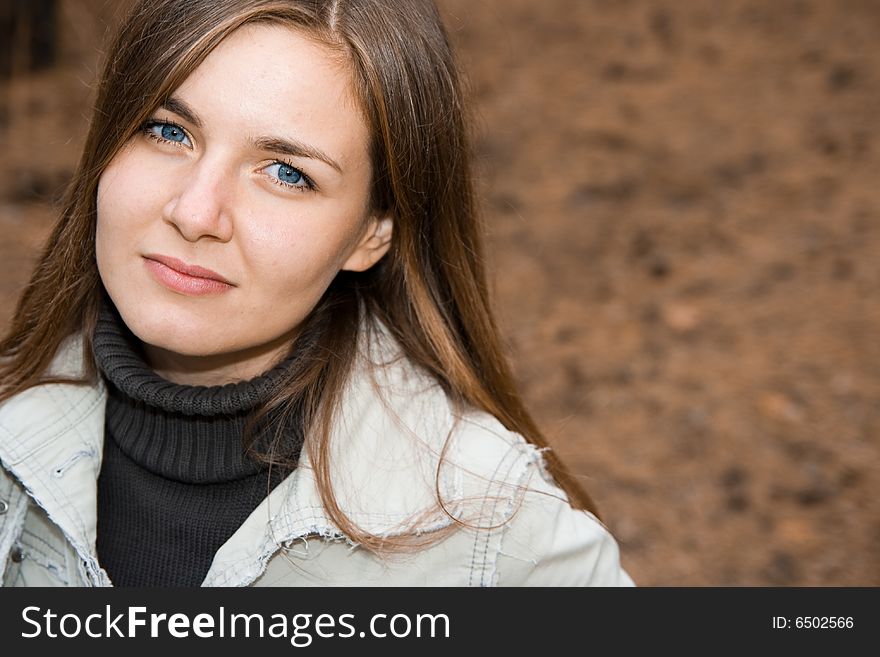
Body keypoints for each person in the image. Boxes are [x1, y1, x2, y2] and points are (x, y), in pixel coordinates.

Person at [0, 0, 633, 587]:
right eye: (168, 132)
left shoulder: (503, 544)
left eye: (285, 173)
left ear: (371, 232)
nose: (195, 212)